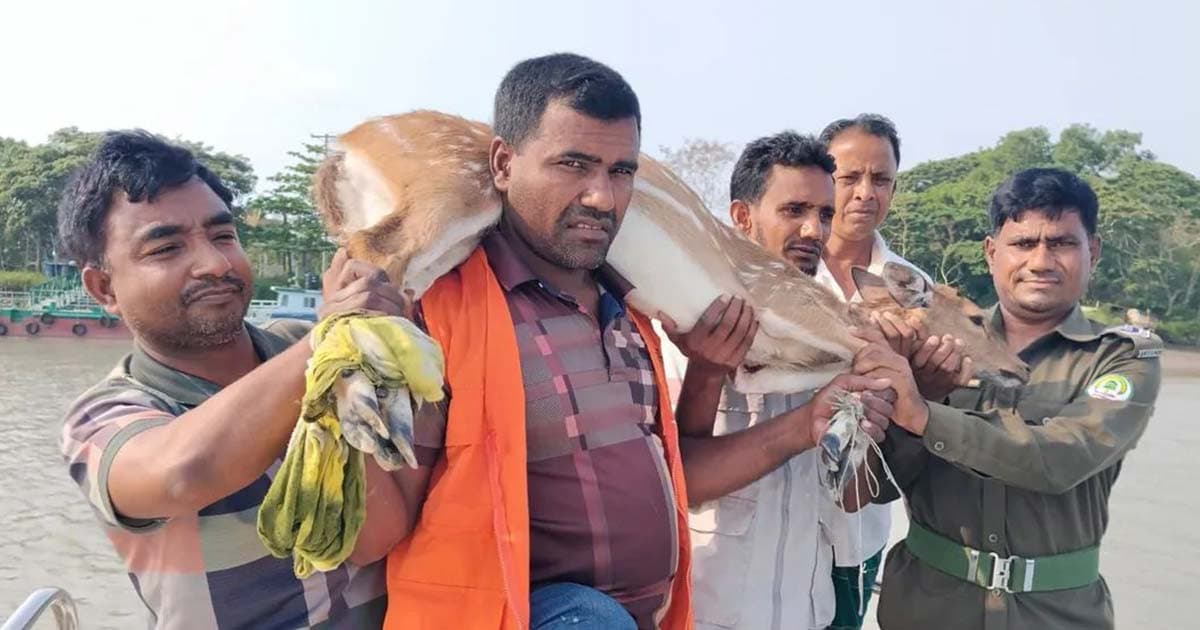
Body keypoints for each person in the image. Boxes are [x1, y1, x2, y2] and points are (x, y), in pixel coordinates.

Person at [350, 53, 703, 630]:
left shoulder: (631, 314)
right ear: (503, 164)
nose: (602, 198)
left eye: (620, 171)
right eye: (573, 164)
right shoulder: (440, 312)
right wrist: (350, 359)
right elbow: (373, 534)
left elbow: (674, 473)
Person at [58, 131, 407, 628]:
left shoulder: (295, 343)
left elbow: (383, 533)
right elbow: (184, 473)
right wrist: (334, 339)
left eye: (224, 236)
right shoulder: (101, 417)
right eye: (166, 248)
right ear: (104, 287)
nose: (216, 264)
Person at [870, 168, 1163, 630]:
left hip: (1056, 617)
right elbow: (878, 485)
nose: (1041, 260)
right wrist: (918, 395)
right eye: (1024, 243)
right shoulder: (934, 341)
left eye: (1063, 242)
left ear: (1094, 251)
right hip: (926, 609)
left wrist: (926, 416)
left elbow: (1064, 457)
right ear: (992, 253)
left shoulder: (1122, 359)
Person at [653, 131, 914, 629]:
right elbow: (676, 479)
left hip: (805, 608)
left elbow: (851, 493)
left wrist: (886, 404)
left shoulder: (845, 329)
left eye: (824, 214)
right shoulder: (687, 315)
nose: (814, 230)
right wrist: (708, 372)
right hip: (705, 607)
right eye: (794, 210)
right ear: (743, 216)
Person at [816, 114, 969, 629]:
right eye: (848, 178)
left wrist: (927, 383)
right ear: (822, 178)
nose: (864, 193)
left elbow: (930, 410)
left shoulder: (914, 287)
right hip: (765, 507)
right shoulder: (780, 267)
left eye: (880, 180)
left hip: (857, 529)